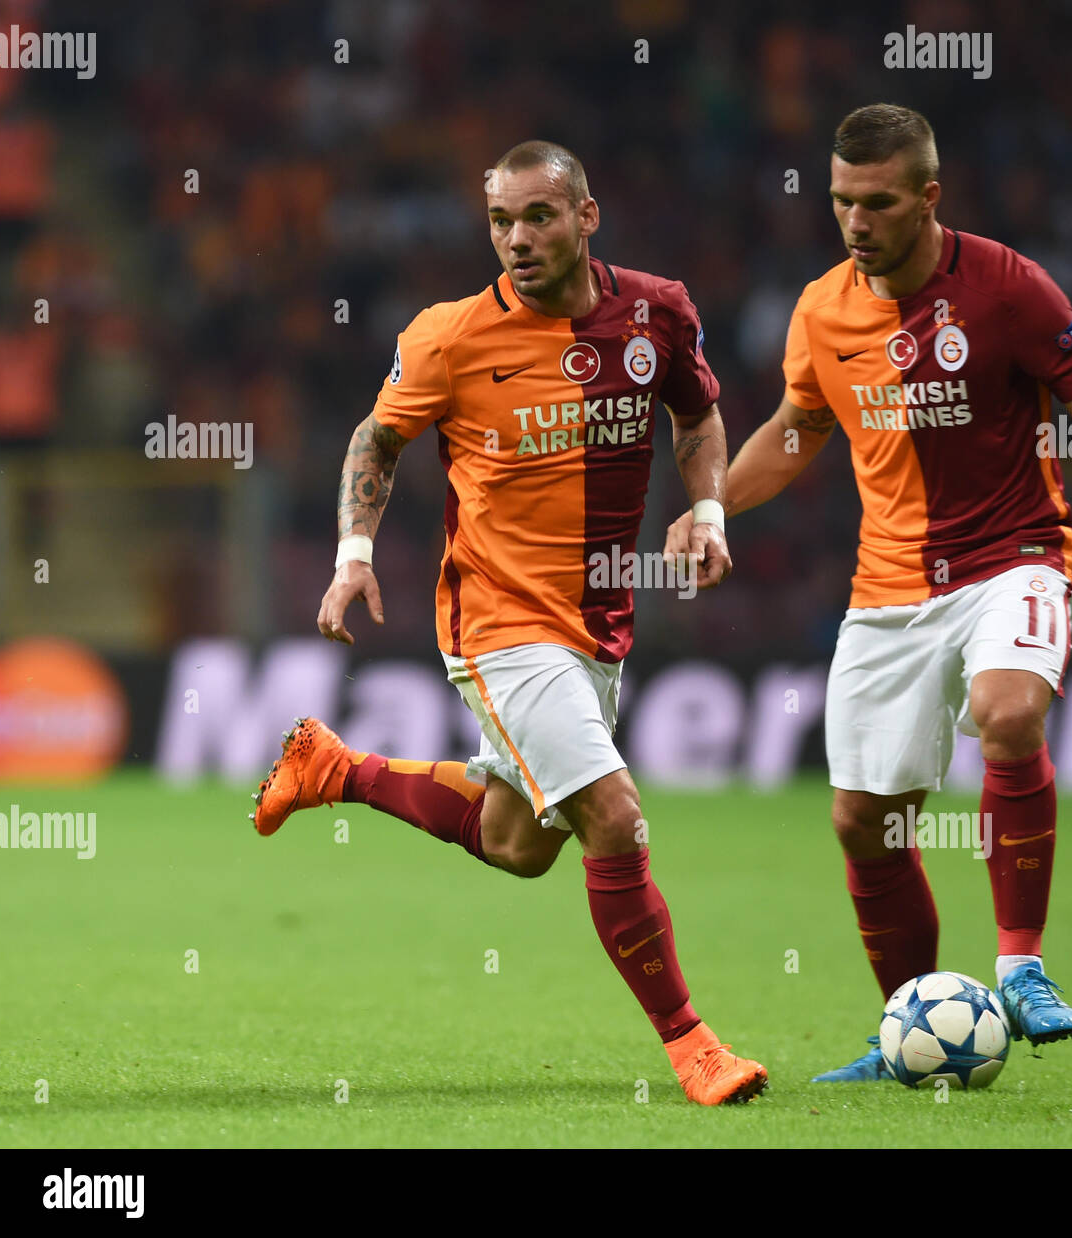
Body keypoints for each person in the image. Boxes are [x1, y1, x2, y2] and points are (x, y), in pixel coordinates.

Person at [251, 140, 767, 1105]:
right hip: (494, 619)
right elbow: (378, 437)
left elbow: (695, 418)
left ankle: (337, 769)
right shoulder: (451, 337)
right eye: (499, 221)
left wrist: (707, 509)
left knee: (522, 844)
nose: (518, 239)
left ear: (586, 216)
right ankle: (692, 1043)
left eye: (538, 217)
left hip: (597, 620)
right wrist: (352, 557)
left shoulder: (658, 311)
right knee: (613, 817)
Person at [666, 104, 1072, 1081]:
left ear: (928, 197)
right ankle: (906, 1036)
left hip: (1012, 556)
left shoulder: (1008, 288)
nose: (854, 220)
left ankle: (1021, 965)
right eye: (841, 200)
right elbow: (798, 430)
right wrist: (713, 506)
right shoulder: (822, 308)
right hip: (886, 586)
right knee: (861, 820)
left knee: (1007, 712)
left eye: (877, 202)